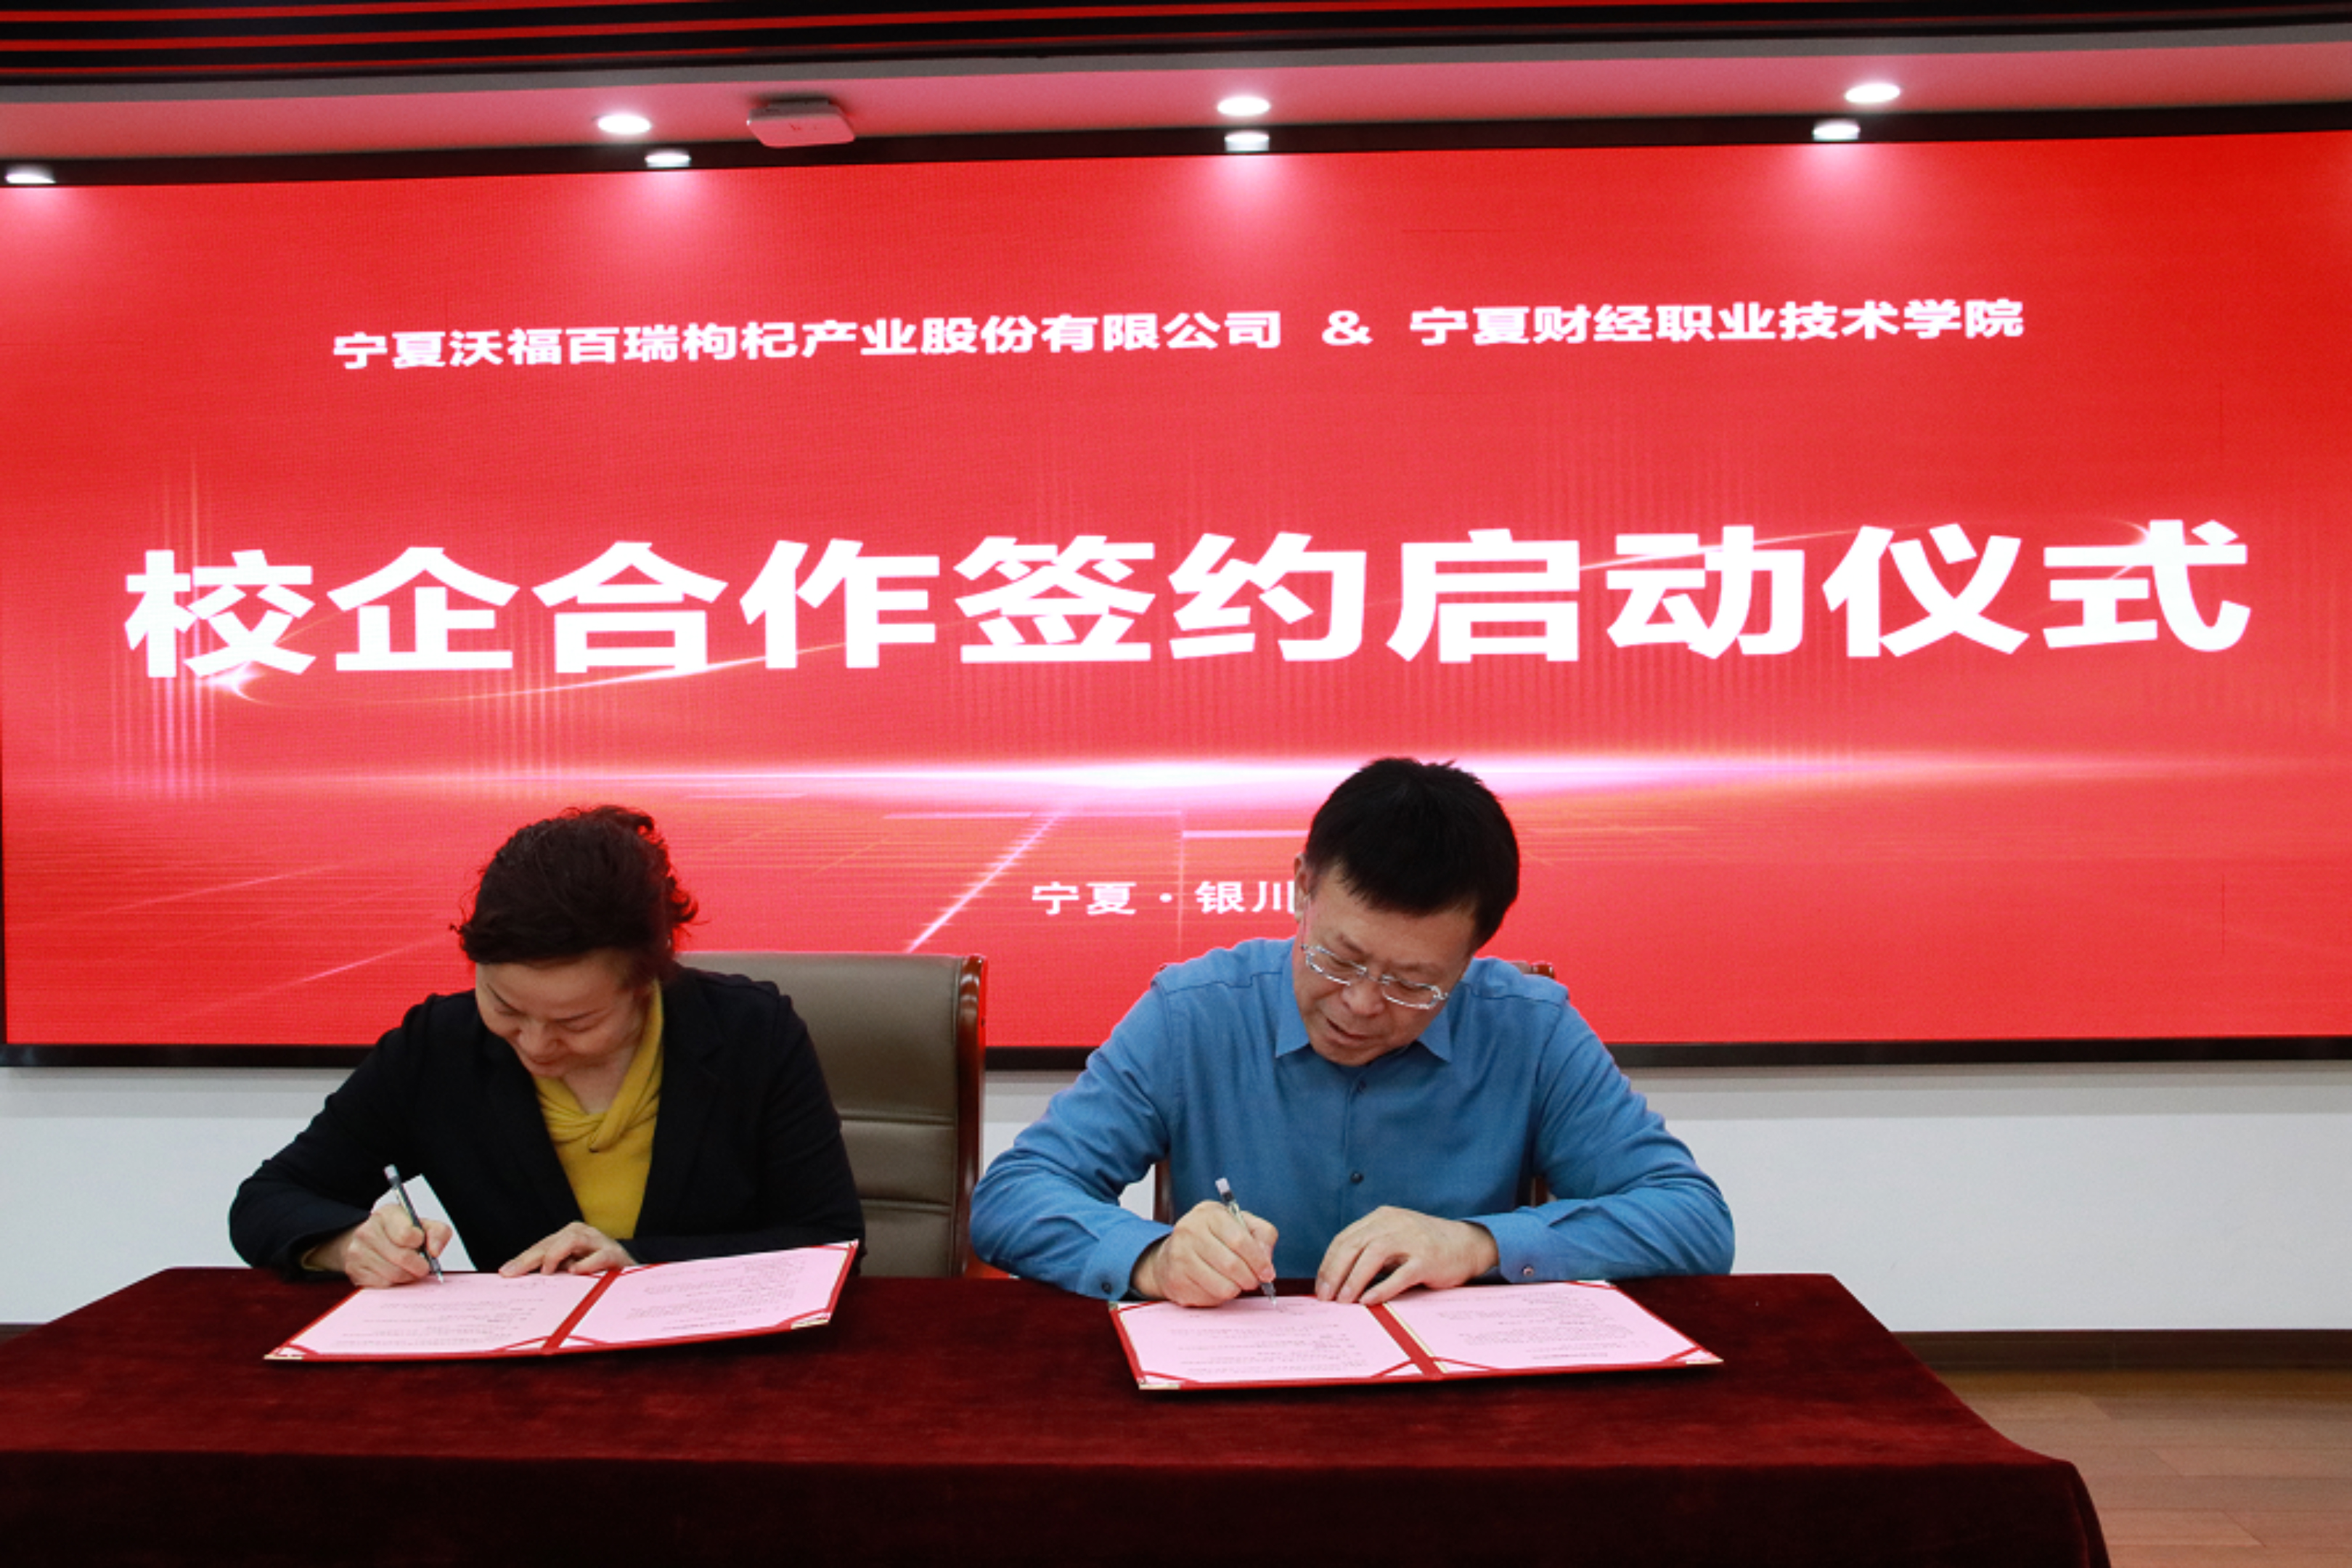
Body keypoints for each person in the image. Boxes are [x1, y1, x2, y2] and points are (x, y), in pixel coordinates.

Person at [971, 757, 1732, 1307]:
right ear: (1302, 887)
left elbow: (1692, 1220)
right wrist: (1154, 1258)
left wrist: (1478, 1243)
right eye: (1338, 959)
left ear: (1473, 955)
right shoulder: (1195, 1012)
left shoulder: (1528, 1027)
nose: (1363, 1003)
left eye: (1413, 983)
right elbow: (1013, 1197)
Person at [231, 805, 863, 1286]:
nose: (535, 1045)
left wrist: (640, 1261)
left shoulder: (751, 1034)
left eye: (577, 1022)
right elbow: (267, 1199)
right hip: (517, 1380)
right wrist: (347, 1245)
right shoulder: (440, 1048)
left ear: (647, 982)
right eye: (505, 1007)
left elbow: (831, 1241)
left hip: (720, 1370)